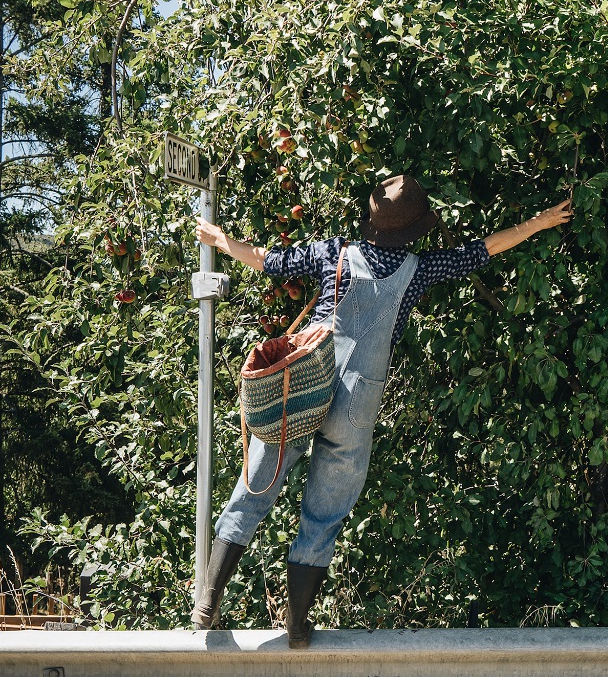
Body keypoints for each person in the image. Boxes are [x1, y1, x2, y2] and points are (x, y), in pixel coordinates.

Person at [192, 174, 571, 647]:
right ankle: (296, 628)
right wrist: (540, 222)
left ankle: (207, 601)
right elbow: (483, 249)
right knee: (324, 514)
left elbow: (268, 260)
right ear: (413, 229)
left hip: (300, 387)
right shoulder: (417, 270)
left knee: (255, 486)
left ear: (373, 220)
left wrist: (218, 238)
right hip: (358, 401)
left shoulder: (335, 253)